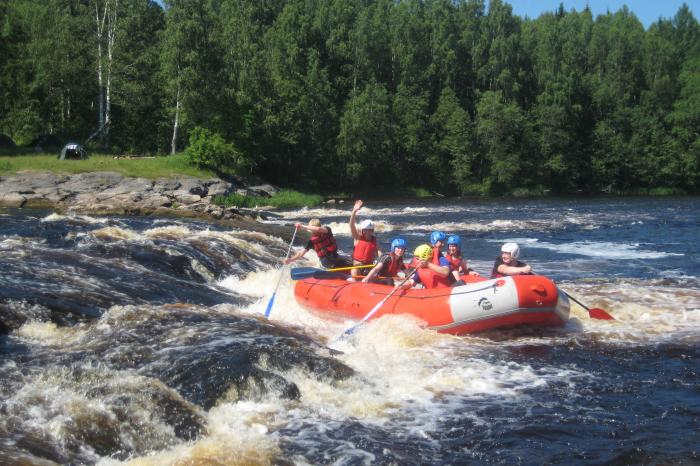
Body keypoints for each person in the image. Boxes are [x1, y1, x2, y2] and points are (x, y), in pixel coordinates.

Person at [283, 219, 351, 269]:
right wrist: (290, 259)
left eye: (311, 228)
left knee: (352, 261)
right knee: (337, 264)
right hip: (325, 261)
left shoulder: (327, 230)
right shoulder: (312, 241)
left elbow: (318, 229)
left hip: (335, 256)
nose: (310, 230)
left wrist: (302, 226)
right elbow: (301, 253)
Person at [349, 200, 380, 280]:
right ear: (363, 230)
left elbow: (378, 252)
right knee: (354, 272)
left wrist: (381, 259)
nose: (368, 232)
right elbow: (351, 224)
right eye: (366, 230)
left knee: (376, 275)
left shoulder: (374, 240)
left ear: (372, 231)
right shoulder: (357, 237)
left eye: (370, 230)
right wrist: (354, 211)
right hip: (358, 267)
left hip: (369, 266)